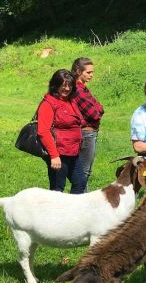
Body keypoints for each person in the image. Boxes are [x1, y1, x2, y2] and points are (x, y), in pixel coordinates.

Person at [37, 69, 86, 193]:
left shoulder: (70, 101)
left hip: (73, 152)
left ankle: (72, 211)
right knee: (57, 189)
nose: (67, 88)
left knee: (80, 182)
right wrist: (54, 156)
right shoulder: (48, 103)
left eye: (70, 85)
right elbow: (43, 131)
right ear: (55, 85)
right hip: (59, 153)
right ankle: (52, 212)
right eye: (63, 85)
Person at [72, 57, 104, 189]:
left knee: (86, 170)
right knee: (84, 171)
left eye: (92, 72)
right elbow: (95, 114)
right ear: (79, 71)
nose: (92, 75)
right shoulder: (78, 90)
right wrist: (98, 110)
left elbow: (100, 108)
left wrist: (98, 109)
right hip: (86, 133)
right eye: (88, 72)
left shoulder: (83, 88)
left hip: (89, 132)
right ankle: (81, 199)